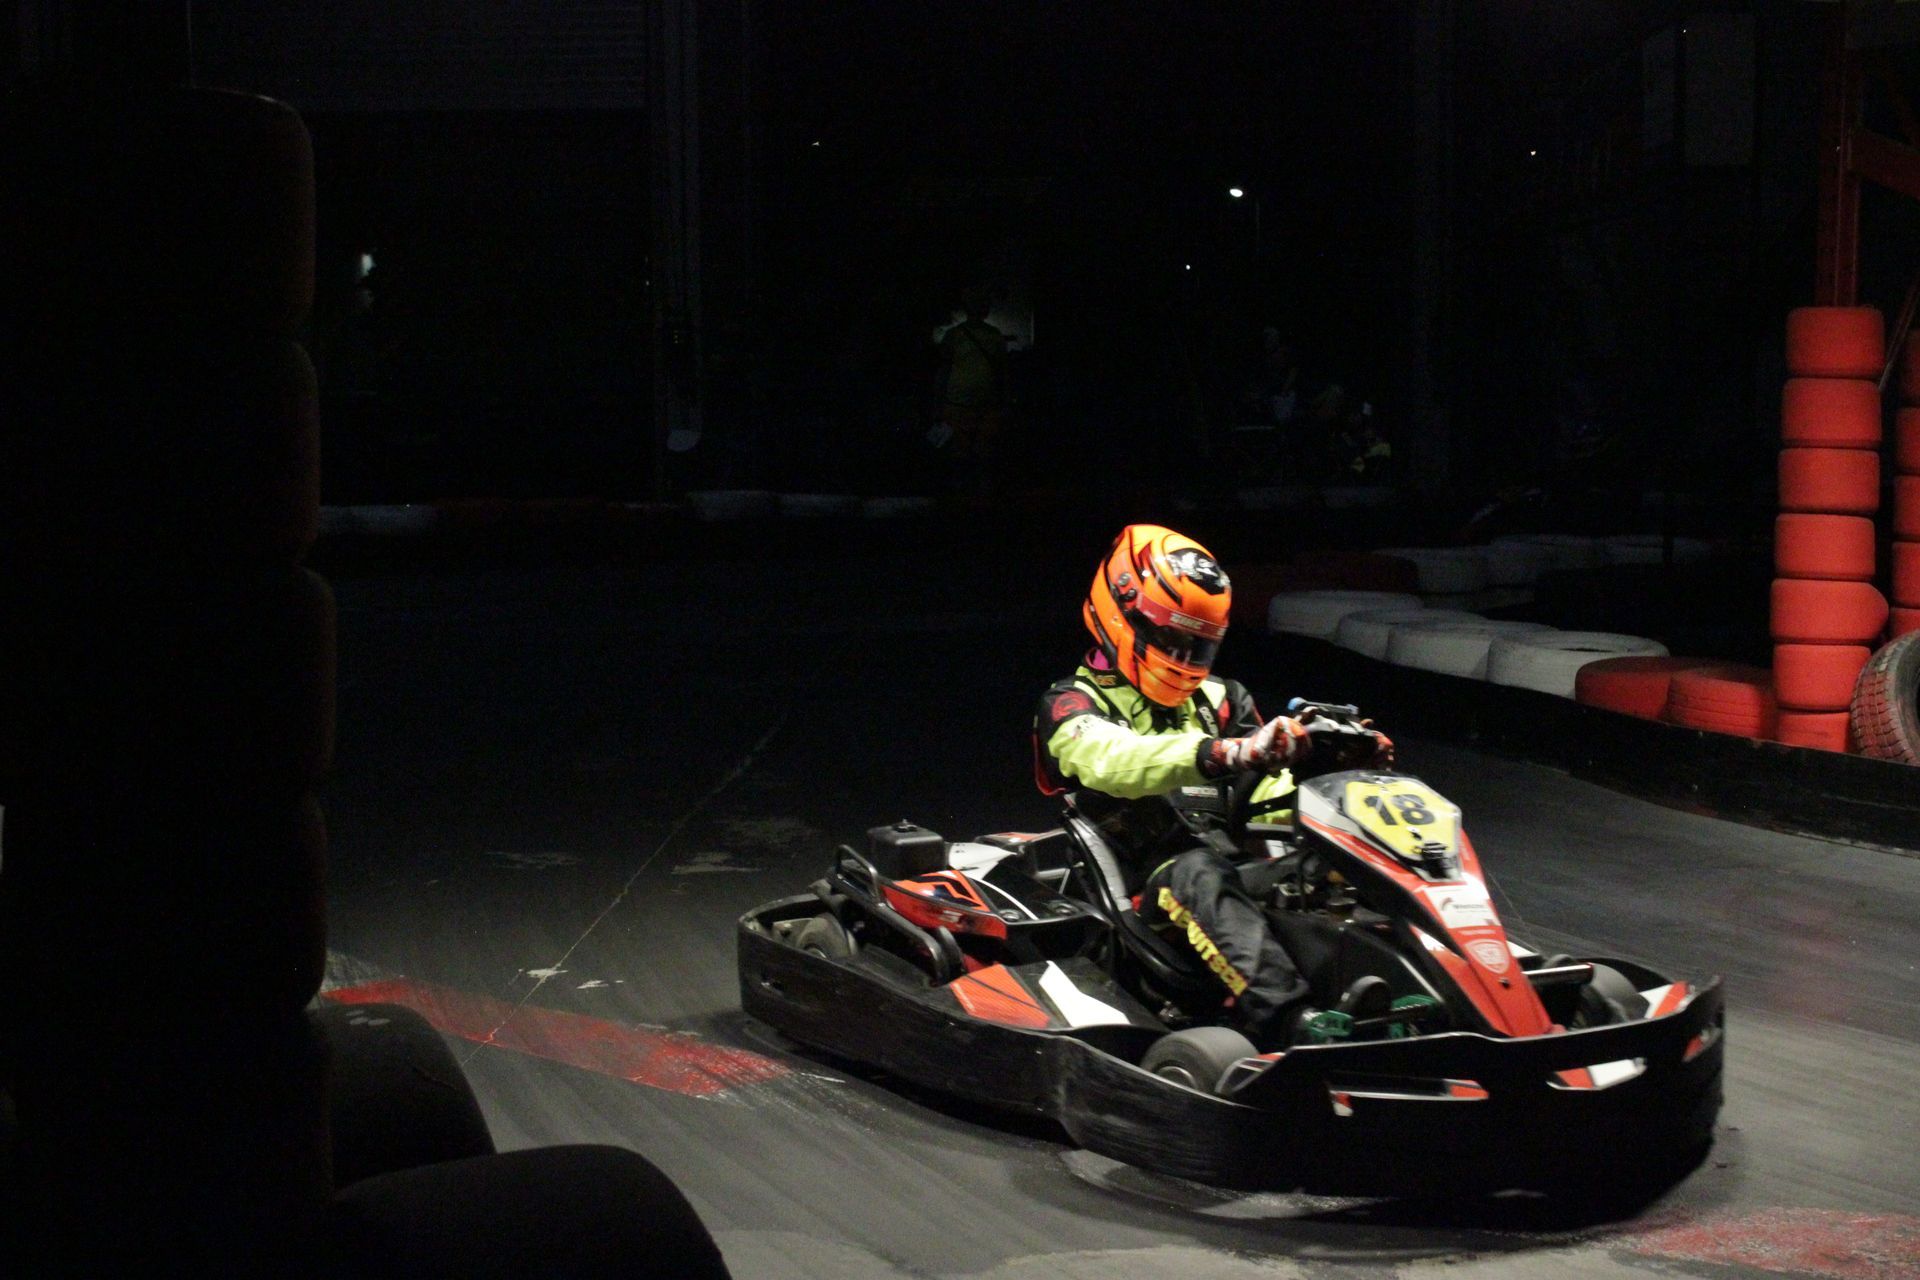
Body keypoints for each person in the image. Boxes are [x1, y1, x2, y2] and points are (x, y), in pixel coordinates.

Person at [1031, 524, 1393, 1049]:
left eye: (1198, 646)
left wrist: (1329, 772)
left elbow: (1263, 805)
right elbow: (1114, 761)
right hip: (1144, 899)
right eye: (1172, 640)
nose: (1184, 660)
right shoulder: (1071, 703)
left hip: (1232, 877)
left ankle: (1431, 985)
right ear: (1121, 613)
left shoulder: (1222, 701)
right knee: (1198, 871)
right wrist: (1224, 752)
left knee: (1332, 861)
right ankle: (1294, 1023)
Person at [930, 287, 1010, 495]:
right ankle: (977, 493)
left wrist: (938, 403)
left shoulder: (955, 335)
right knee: (979, 452)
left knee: (965, 452)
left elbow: (943, 370)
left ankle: (966, 493)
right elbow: (1002, 372)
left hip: (965, 402)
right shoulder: (992, 336)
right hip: (977, 402)